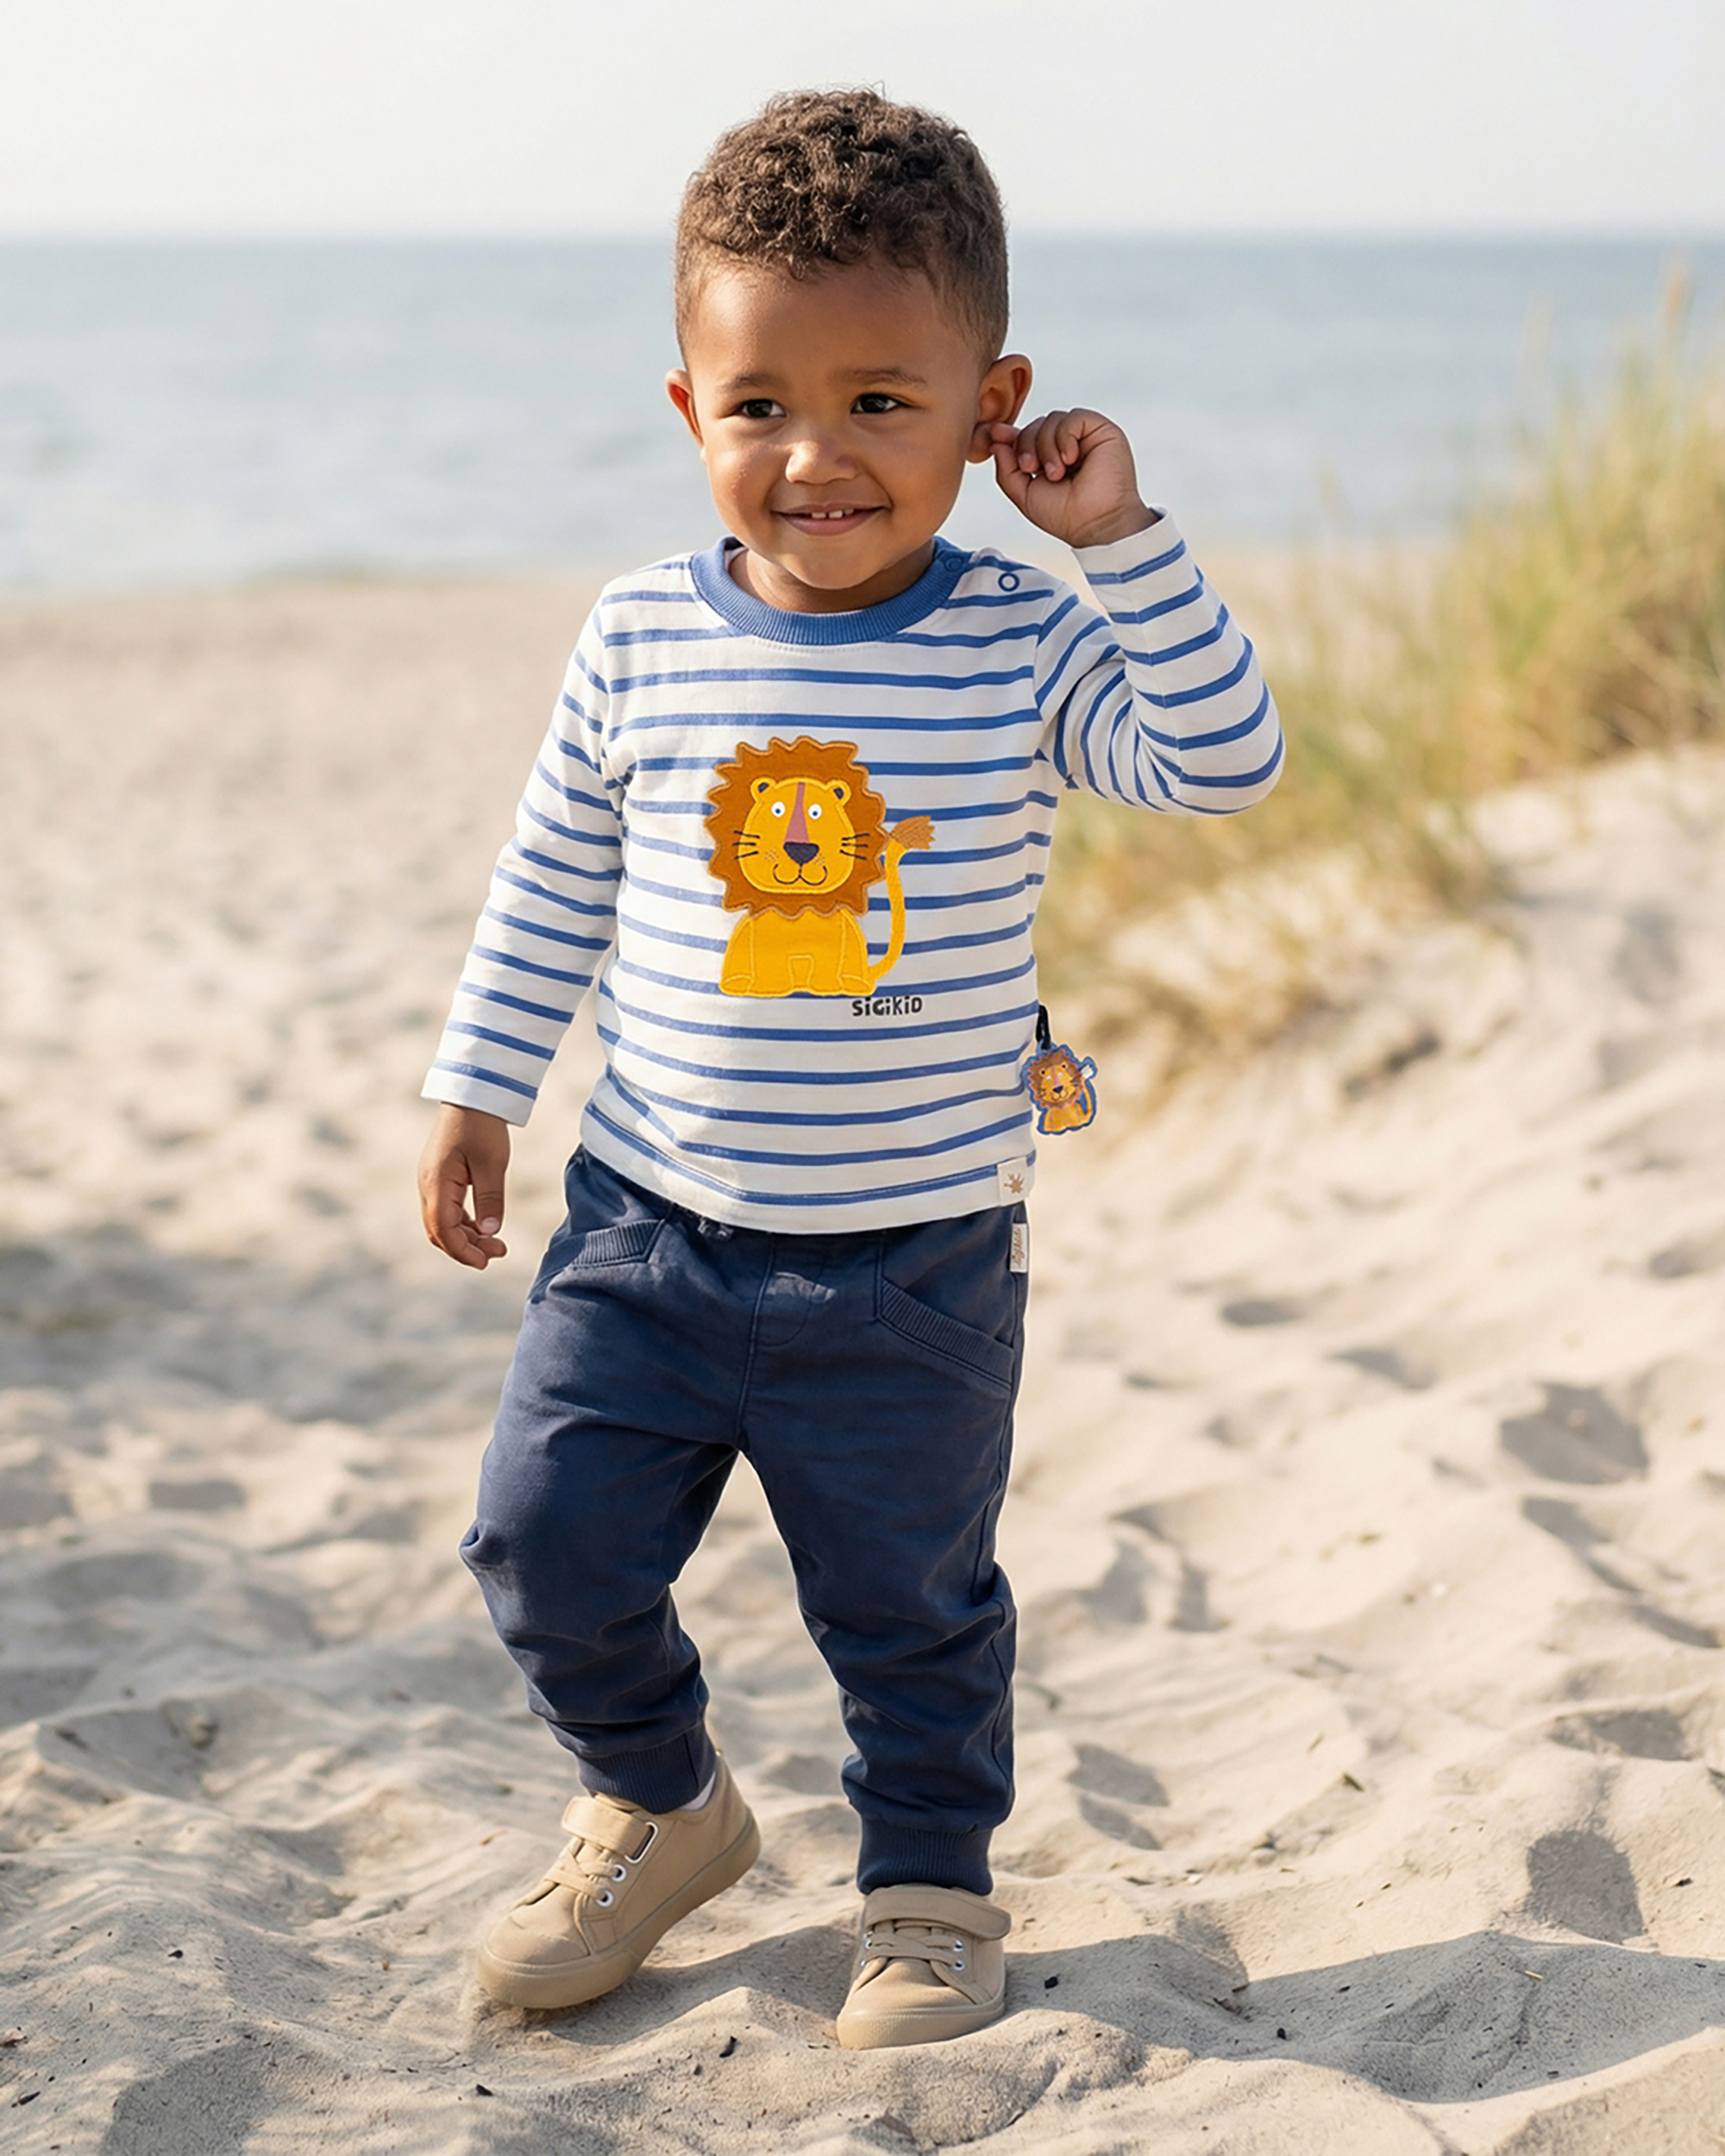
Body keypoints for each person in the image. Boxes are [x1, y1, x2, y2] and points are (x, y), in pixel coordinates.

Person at [417, 87, 1282, 2050]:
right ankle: (657, 1801)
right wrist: (474, 1089)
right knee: (540, 1548)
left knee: (904, 1603)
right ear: (688, 410)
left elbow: (1222, 756)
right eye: (760, 407)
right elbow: (549, 872)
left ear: (994, 403)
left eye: (885, 402)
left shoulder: (1021, 636)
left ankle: (926, 1888)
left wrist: (1122, 539)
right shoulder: (640, 633)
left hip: (913, 1264)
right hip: (641, 1230)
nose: (817, 457)